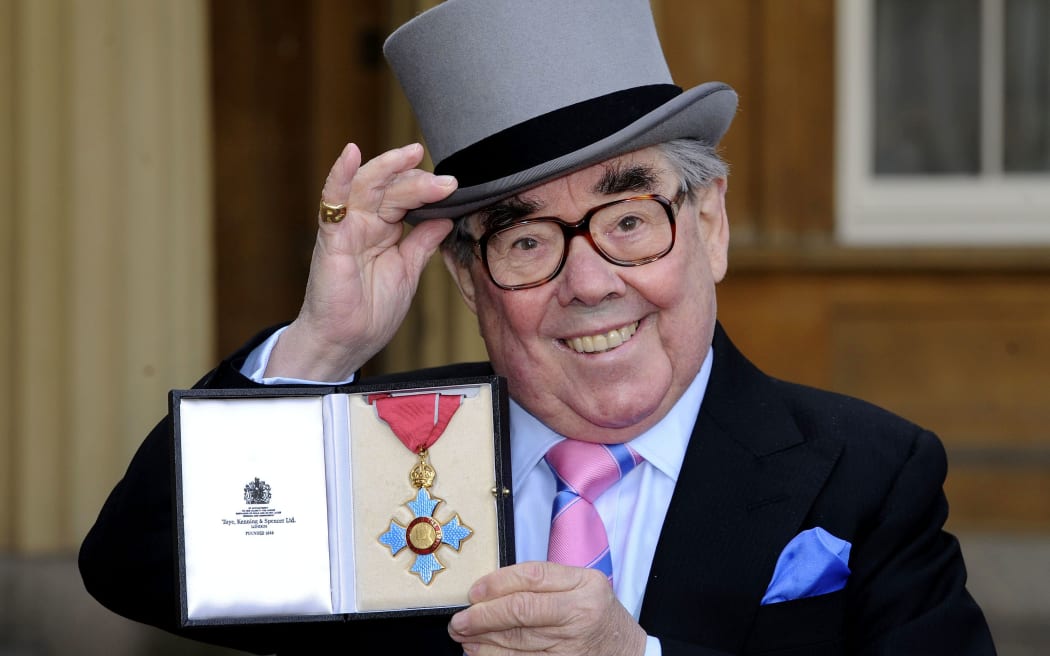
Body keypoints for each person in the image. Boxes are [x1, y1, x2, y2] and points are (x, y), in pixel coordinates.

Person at [79, 1, 997, 654]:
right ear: (472, 281)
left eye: (630, 220)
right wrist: (322, 347)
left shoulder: (870, 473)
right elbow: (136, 567)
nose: (591, 283)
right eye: (526, 241)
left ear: (708, 224)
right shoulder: (383, 451)